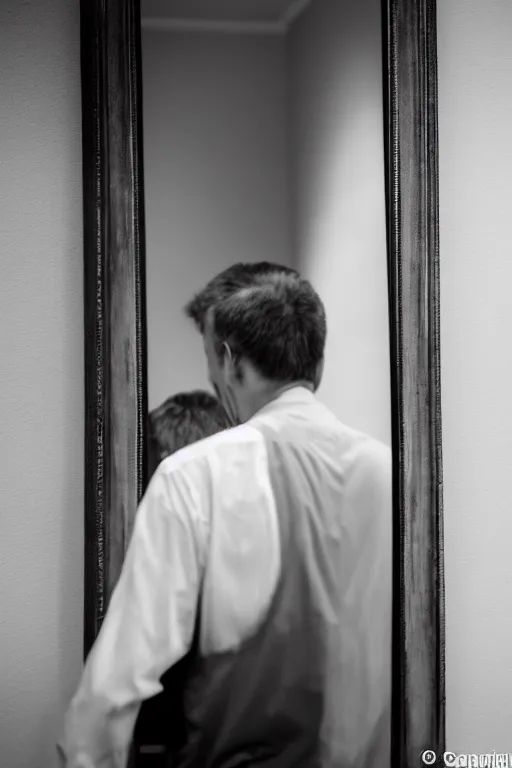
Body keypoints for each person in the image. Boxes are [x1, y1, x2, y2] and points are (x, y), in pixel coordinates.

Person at [59, 262, 392, 768]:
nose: (214, 380)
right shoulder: (392, 475)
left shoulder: (195, 475)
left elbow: (111, 693)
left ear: (231, 362)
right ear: (317, 366)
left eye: (212, 365)